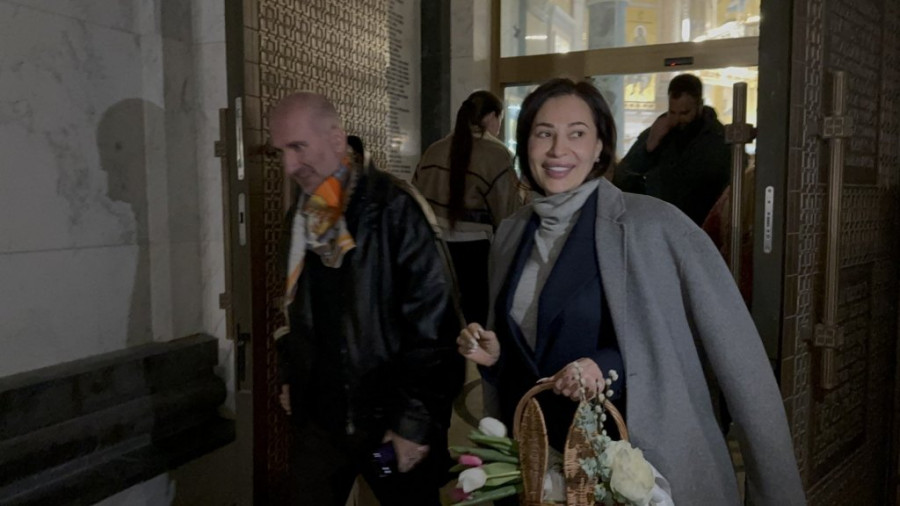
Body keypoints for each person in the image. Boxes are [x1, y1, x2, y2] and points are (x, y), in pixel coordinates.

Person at [457, 78, 805, 505]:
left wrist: (605, 367)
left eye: (577, 133)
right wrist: (497, 359)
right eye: (544, 133)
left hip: (630, 475)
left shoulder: (656, 227)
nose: (558, 149)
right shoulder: (512, 234)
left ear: (600, 146)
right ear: (525, 143)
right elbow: (532, 356)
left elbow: (737, 362)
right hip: (538, 474)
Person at [269, 92, 463, 506]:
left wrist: (413, 422)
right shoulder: (302, 216)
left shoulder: (395, 208)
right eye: (280, 151)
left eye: (298, 147)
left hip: (389, 422)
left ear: (337, 139)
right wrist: (291, 375)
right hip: (321, 422)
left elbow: (436, 325)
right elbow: (290, 309)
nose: (288, 165)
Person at [413, 90, 521, 325]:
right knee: (476, 327)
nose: (499, 128)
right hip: (476, 255)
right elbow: (508, 215)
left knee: (442, 324)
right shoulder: (498, 154)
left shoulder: (433, 150)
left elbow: (415, 199)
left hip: (433, 250)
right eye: (500, 120)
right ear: (492, 116)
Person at [615, 73, 731, 225]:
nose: (677, 120)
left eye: (685, 113)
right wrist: (649, 147)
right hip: (658, 224)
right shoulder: (658, 132)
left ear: (700, 106)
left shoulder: (719, 140)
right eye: (672, 112)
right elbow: (622, 177)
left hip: (699, 226)